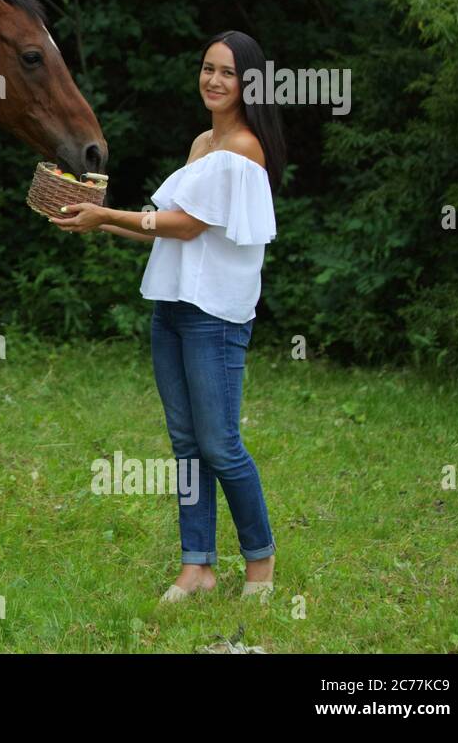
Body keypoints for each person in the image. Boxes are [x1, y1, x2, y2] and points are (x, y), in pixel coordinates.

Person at [49, 30, 285, 603]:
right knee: (186, 444)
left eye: (227, 72)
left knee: (221, 444)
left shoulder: (244, 149)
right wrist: (95, 213)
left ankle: (260, 564)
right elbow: (167, 225)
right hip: (174, 307)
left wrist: (107, 215)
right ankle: (197, 566)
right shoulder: (203, 142)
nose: (214, 80)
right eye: (207, 68)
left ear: (248, 81)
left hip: (216, 316)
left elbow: (188, 225)